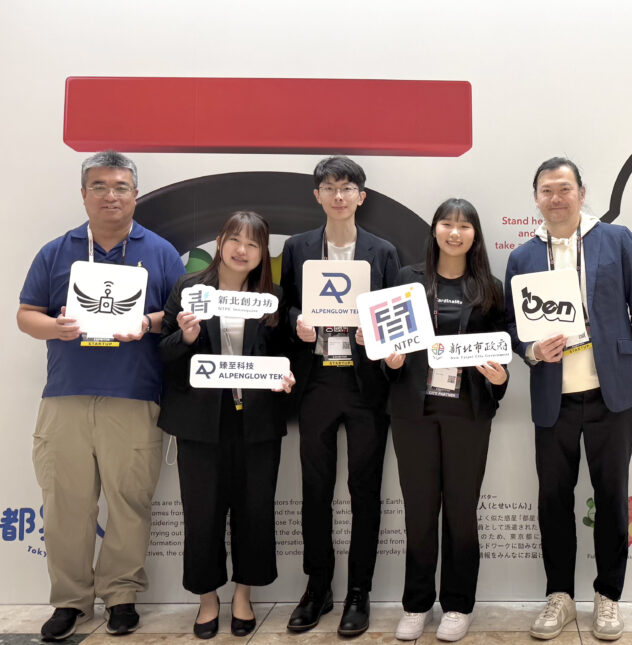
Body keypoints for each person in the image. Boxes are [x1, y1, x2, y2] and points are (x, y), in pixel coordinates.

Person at [16, 151, 185, 641]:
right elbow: (27, 314)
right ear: (84, 193)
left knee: (129, 504)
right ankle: (70, 601)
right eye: (100, 186)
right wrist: (56, 327)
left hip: (133, 396)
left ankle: (121, 596)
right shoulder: (55, 251)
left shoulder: (160, 252)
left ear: (135, 194)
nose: (111, 195)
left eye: (120, 187)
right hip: (65, 397)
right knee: (66, 506)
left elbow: (178, 316)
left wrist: (145, 322)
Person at [504, 158, 632, 641]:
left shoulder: (616, 240)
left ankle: (608, 596)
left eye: (565, 188)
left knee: (612, 498)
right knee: (553, 500)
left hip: (610, 393)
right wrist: (531, 351)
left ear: (581, 192)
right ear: (535, 197)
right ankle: (560, 596)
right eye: (547, 190)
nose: (556, 198)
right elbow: (512, 325)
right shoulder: (522, 256)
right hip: (553, 397)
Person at [158, 211, 295, 639]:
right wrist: (186, 336)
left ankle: (243, 597)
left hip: (256, 423)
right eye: (235, 239)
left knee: (255, 512)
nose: (242, 250)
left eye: (253, 244)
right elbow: (164, 354)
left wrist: (286, 376)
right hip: (201, 423)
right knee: (202, 514)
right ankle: (207, 600)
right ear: (220, 242)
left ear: (263, 253)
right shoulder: (189, 290)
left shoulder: (271, 299)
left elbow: (287, 355)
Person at [280, 156, 400, 636]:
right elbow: (285, 306)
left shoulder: (383, 251)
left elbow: (394, 314)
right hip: (316, 383)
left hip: (366, 384)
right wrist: (297, 323)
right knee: (315, 490)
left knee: (364, 491)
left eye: (347, 187)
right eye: (329, 187)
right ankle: (317, 588)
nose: (338, 195)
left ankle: (359, 592)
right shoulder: (297, 247)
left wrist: (378, 337)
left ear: (361, 197)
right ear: (317, 196)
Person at [383, 198, 508, 642]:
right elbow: (390, 345)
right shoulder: (408, 279)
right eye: (447, 224)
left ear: (475, 234)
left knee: (461, 510)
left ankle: (458, 604)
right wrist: (391, 362)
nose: (455, 233)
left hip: (466, 411)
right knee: (419, 511)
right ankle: (416, 604)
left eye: (464, 226)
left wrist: (500, 377)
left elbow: (501, 349)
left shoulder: (489, 287)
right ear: (434, 229)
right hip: (413, 411)